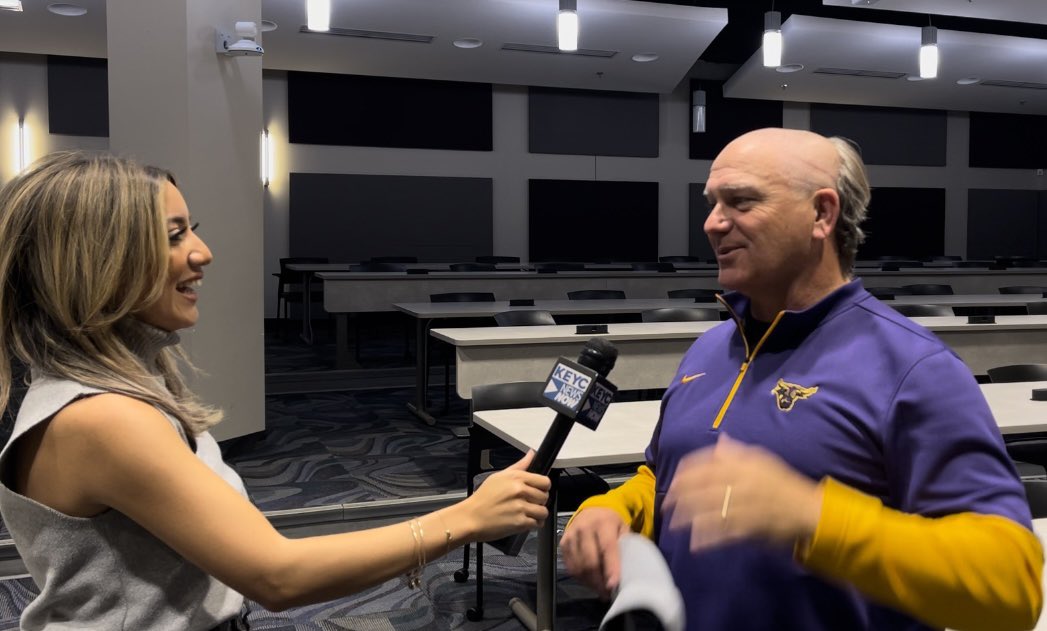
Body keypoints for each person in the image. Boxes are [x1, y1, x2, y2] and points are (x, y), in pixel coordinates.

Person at [0, 151, 551, 630]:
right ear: (95, 263)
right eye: (174, 236)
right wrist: (466, 518)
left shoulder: (97, 393)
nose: (203, 252)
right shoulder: (103, 419)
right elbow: (278, 576)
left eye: (193, 228)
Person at [561, 128, 1044, 631]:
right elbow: (664, 477)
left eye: (741, 201)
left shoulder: (913, 368)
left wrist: (812, 518)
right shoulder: (709, 349)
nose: (712, 223)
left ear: (822, 214)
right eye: (711, 203)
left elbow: (1012, 583)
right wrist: (615, 508)